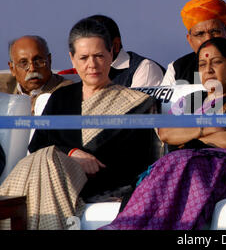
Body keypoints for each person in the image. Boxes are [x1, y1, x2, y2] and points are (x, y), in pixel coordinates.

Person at [100, 37, 226, 230]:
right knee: (173, 163)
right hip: (183, 164)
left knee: (182, 161)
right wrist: (204, 128)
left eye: (217, 62)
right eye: (202, 64)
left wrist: (188, 134)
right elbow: (166, 134)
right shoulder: (190, 101)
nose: (209, 70)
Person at [0, 18, 161, 230]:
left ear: (111, 54)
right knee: (42, 160)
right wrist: (72, 154)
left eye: (99, 56)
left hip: (103, 183)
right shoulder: (60, 98)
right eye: (84, 57)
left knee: (45, 161)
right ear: (72, 59)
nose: (92, 65)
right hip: (51, 176)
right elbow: (37, 145)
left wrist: (73, 165)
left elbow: (138, 161)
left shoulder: (139, 103)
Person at [87, 14, 166, 87]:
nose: (90, 61)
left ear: (116, 45)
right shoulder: (83, 71)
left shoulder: (144, 68)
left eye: (96, 50)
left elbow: (138, 102)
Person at [0, 35, 73, 114]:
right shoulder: (3, 86)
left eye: (38, 61)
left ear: (49, 61)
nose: (32, 68)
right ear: (12, 68)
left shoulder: (66, 90)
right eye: (24, 63)